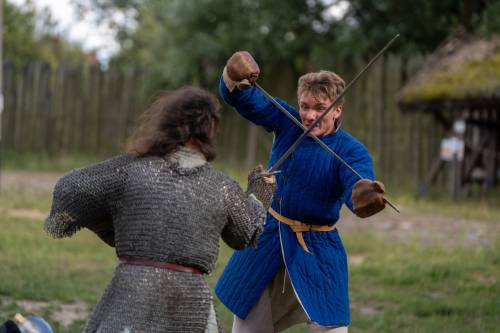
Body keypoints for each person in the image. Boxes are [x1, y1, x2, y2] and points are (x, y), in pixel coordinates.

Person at [44, 86, 275, 333]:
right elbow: (244, 235)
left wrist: (109, 226)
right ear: (210, 129)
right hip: (188, 303)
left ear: (167, 122)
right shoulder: (222, 186)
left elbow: (69, 189)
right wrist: (257, 197)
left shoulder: (130, 170)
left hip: (131, 296)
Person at [215, 51, 387, 333]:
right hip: (270, 236)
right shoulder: (286, 121)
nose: (309, 115)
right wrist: (234, 77)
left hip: (319, 246)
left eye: (320, 108)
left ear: (337, 110)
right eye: (305, 106)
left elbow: (356, 182)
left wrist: (363, 194)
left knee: (330, 329)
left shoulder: (350, 150)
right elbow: (244, 99)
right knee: (248, 328)